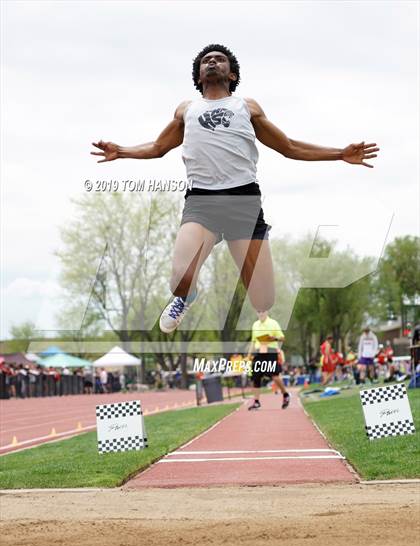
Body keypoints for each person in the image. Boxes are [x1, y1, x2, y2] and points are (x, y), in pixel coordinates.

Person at [91, 44, 380, 336]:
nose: (212, 62)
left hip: (244, 203)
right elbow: (157, 147)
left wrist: (340, 153)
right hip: (202, 203)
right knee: (180, 279)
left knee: (263, 300)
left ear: (231, 75)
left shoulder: (247, 107)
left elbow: (289, 147)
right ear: (199, 75)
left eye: (219, 59)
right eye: (206, 60)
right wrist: (123, 151)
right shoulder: (187, 110)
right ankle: (186, 298)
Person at [247, 310, 290, 410]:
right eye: (258, 312)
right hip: (259, 352)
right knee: (256, 378)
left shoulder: (273, 323)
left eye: (263, 311)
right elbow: (253, 341)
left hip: (271, 352)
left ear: (267, 312)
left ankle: (285, 394)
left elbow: (282, 338)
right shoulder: (255, 325)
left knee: (275, 377)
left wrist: (273, 338)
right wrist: (249, 355)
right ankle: (256, 402)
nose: (261, 313)